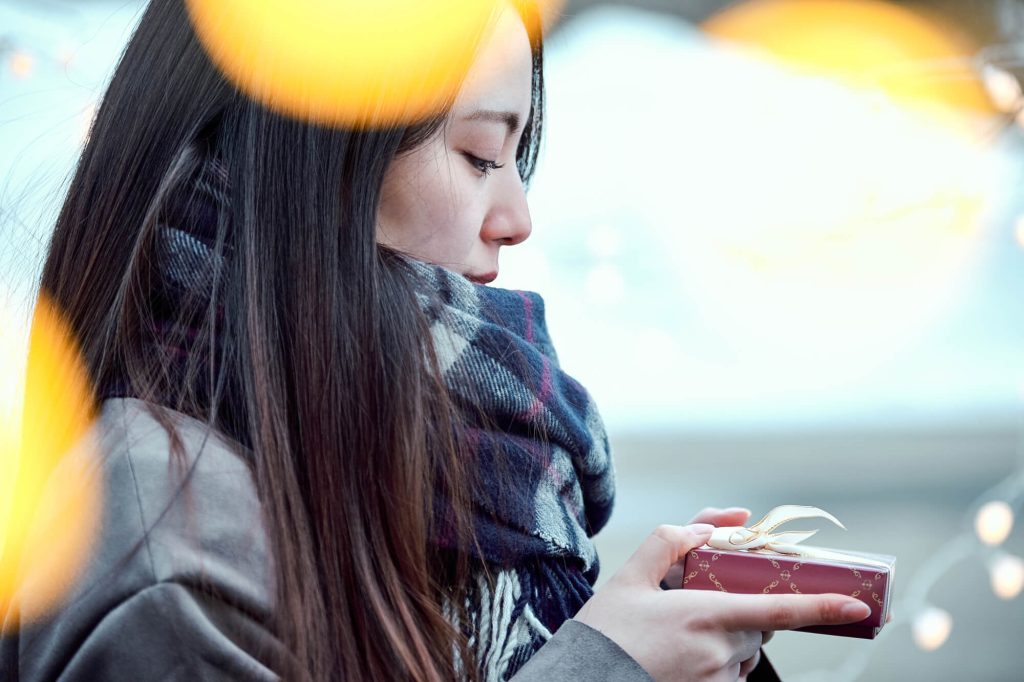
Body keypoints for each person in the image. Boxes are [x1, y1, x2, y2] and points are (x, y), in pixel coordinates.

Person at [0, 0, 872, 680]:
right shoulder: (172, 531)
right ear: (321, 158)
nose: (518, 218)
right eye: (480, 155)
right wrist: (610, 667)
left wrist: (629, 631)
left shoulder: (375, 468)